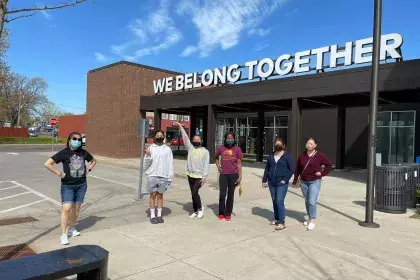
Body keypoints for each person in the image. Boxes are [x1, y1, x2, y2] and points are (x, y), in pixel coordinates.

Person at [44, 132, 97, 245]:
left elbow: (94, 161)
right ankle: (63, 235)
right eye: (74, 139)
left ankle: (72, 228)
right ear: (69, 140)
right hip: (68, 185)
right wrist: (59, 173)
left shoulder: (83, 152)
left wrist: (89, 169)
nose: (77, 141)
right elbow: (48, 163)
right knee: (66, 209)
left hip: (81, 184)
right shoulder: (64, 153)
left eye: (79, 139)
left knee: (76, 209)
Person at [292, 137, 332, 231]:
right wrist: (294, 181)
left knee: (312, 201)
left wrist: (322, 173)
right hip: (304, 182)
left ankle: (313, 220)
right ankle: (309, 217)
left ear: (315, 145)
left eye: (311, 143)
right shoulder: (302, 155)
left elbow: (329, 165)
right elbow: (297, 169)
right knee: (307, 200)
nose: (309, 145)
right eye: (308, 143)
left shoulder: (320, 155)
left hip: (315, 181)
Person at [174, 122, 210, 219]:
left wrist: (204, 177)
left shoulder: (205, 151)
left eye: (198, 140)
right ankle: (195, 211)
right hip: (190, 175)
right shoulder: (190, 148)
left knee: (195, 192)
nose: (196, 141)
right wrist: (180, 126)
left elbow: (206, 165)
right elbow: (185, 137)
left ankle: (200, 208)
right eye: (194, 140)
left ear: (201, 141)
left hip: (199, 176)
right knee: (193, 194)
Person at [262, 138, 295, 231]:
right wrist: (264, 180)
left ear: (283, 146)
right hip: (271, 182)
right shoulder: (271, 155)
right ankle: (276, 219)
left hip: (281, 183)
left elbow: (292, 169)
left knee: (279, 201)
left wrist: (285, 180)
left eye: (280, 144)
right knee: (274, 200)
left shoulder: (287, 156)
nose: (277, 145)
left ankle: (281, 222)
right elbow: (267, 168)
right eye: (276, 144)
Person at [144, 130, 174, 224]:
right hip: (152, 175)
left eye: (161, 136)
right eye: (158, 135)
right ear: (155, 137)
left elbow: (170, 163)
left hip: (163, 176)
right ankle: (153, 215)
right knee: (153, 195)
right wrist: (148, 156)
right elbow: (146, 164)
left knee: (160, 196)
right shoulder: (151, 148)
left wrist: (170, 177)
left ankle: (159, 215)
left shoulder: (167, 149)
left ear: (164, 137)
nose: (159, 137)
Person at [215, 132, 243, 221]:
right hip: (223, 174)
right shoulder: (221, 148)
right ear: (225, 139)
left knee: (230, 195)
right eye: (228, 138)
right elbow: (215, 157)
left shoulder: (237, 149)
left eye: (231, 138)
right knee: (222, 194)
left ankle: (228, 213)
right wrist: (218, 166)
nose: (230, 140)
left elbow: (239, 164)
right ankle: (221, 212)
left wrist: (240, 176)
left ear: (234, 139)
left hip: (234, 175)